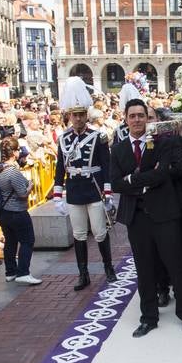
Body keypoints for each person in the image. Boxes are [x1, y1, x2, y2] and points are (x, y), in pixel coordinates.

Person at [112, 99, 182, 337]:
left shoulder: (163, 143)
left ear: (148, 118)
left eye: (142, 115)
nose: (138, 120)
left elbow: (162, 175)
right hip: (137, 218)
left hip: (164, 214)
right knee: (145, 268)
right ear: (126, 118)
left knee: (175, 265)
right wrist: (140, 180)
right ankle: (149, 317)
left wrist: (132, 179)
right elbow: (116, 183)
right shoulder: (117, 149)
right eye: (133, 116)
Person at [52, 78, 117, 290]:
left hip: (94, 189)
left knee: (99, 232)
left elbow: (105, 166)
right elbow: (60, 168)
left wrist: (108, 193)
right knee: (79, 234)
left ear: (86, 115)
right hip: (74, 191)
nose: (78, 118)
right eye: (74, 115)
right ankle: (83, 274)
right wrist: (57, 195)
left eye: (81, 115)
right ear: (69, 116)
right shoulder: (63, 139)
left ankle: (108, 268)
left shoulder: (98, 137)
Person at [0, 136, 42, 286]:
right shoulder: (12, 172)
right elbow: (23, 193)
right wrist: (31, 185)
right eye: (18, 150)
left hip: (3, 212)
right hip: (17, 211)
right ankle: (23, 272)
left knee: (10, 241)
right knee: (27, 240)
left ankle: (10, 272)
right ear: (14, 152)